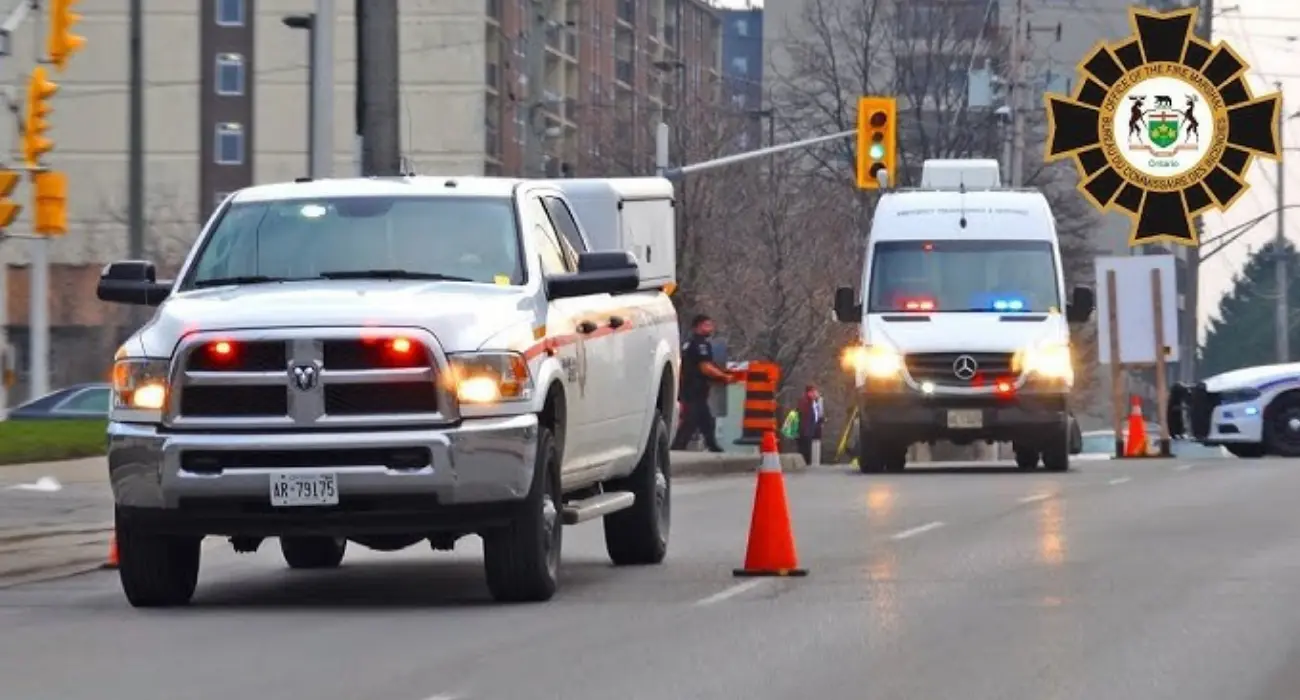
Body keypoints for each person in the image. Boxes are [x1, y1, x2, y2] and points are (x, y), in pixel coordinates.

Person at [671, 314, 739, 452]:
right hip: (694, 388)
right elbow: (705, 367)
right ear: (699, 326)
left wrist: (722, 372)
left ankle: (712, 445)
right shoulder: (700, 344)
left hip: (692, 388)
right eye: (707, 325)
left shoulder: (689, 343)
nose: (711, 328)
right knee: (692, 419)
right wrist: (724, 377)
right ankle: (677, 447)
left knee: (705, 419)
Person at [796, 384, 825, 465]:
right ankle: (804, 464)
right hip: (804, 432)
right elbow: (806, 417)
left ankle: (806, 463)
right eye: (813, 392)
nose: (815, 393)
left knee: (807, 451)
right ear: (809, 392)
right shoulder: (805, 402)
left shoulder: (811, 402)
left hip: (807, 431)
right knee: (804, 450)